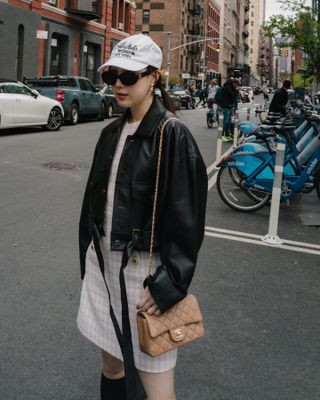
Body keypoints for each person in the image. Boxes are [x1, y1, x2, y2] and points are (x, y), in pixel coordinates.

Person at [77, 33, 208, 400]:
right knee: (112, 366)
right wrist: (89, 256)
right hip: (104, 266)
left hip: (145, 273)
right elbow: (94, 204)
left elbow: (188, 220)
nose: (118, 84)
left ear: (154, 77)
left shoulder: (173, 135)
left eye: (129, 76)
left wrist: (170, 284)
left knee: (157, 385)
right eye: (111, 76)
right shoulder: (111, 132)